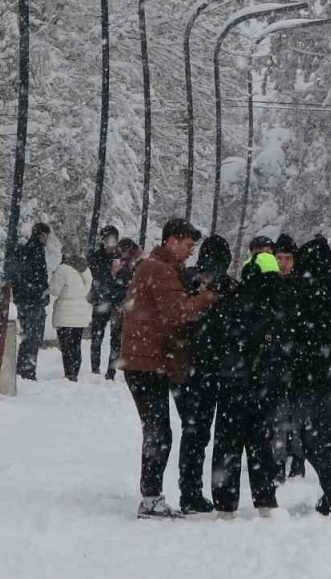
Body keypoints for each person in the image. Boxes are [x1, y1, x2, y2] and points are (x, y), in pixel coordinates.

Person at [120, 218, 217, 519]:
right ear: (172, 241)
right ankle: (150, 498)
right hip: (147, 362)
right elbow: (178, 312)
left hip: (145, 360)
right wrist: (207, 297)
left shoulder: (155, 268)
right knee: (159, 431)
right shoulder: (159, 270)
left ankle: (151, 495)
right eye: (188, 246)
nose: (190, 253)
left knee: (158, 429)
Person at [210, 252, 287, 518]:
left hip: (233, 382)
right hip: (263, 384)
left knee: (227, 444)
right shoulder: (276, 306)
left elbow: (215, 341)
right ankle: (265, 501)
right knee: (262, 444)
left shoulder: (230, 303)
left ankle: (224, 504)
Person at [282, 236, 331, 515]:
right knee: (323, 438)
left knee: (310, 440)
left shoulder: (299, 293)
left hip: (304, 378)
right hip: (325, 378)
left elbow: (291, 335)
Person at [170, 235, 238, 514]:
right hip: (217, 367)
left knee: (192, 431)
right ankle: (203, 490)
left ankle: (190, 490)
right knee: (214, 433)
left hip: (186, 365)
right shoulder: (229, 286)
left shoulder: (185, 279)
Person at [270, 232, 305, 481]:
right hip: (276, 359)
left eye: (287, 258)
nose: (282, 263)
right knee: (280, 414)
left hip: (297, 358)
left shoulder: (302, 286)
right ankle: (279, 461)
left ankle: (298, 458)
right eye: (278, 258)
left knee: (298, 412)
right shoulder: (270, 285)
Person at [11, 223, 52, 381]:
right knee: (33, 337)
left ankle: (24, 369)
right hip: (33, 301)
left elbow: (19, 277)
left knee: (28, 336)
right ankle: (27, 371)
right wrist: (42, 292)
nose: (46, 239)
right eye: (45, 235)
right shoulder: (36, 251)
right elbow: (37, 277)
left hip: (24, 300)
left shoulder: (25, 250)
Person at [49, 251, 93, 381]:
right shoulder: (85, 269)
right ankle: (75, 372)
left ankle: (69, 373)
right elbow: (88, 287)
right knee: (76, 345)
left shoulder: (62, 269)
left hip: (65, 314)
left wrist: (52, 277)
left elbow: (54, 290)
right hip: (80, 313)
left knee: (66, 346)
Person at [85, 226, 121, 376]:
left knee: (116, 340)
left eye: (113, 240)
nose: (110, 244)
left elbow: (125, 280)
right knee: (97, 337)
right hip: (100, 302)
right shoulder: (96, 257)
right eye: (108, 240)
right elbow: (94, 277)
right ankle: (95, 369)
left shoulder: (121, 257)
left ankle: (111, 371)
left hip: (116, 304)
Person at [104, 238, 140, 382]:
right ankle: (112, 371)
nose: (120, 254)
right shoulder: (127, 265)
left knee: (120, 342)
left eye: (122, 251)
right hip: (123, 308)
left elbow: (120, 287)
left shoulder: (134, 266)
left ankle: (115, 371)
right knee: (118, 341)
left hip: (127, 309)